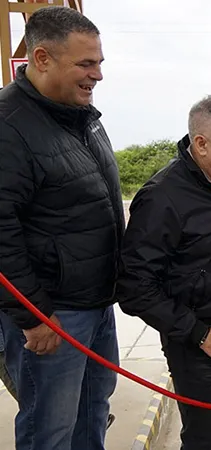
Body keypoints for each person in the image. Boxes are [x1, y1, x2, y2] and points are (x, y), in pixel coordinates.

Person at [0, 7, 122, 450]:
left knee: (92, 415)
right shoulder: (8, 124)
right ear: (42, 58)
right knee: (49, 431)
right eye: (86, 64)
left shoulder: (84, 118)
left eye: (100, 63)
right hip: (50, 317)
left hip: (94, 305)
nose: (98, 75)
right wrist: (33, 316)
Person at [116, 95, 211, 450]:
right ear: (201, 144)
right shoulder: (162, 197)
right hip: (197, 341)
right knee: (204, 439)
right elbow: (134, 288)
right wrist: (202, 335)